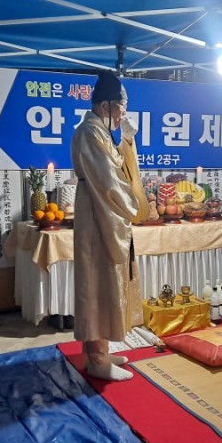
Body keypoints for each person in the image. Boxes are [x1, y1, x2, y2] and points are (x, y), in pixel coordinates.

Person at [71, 70, 144, 381]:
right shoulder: (90, 132)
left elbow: (120, 169)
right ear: (105, 106)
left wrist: (127, 140)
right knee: (96, 284)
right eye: (121, 107)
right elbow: (111, 182)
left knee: (103, 284)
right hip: (97, 212)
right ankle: (97, 360)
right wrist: (134, 207)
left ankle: (100, 350)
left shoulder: (99, 132)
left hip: (101, 210)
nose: (123, 114)